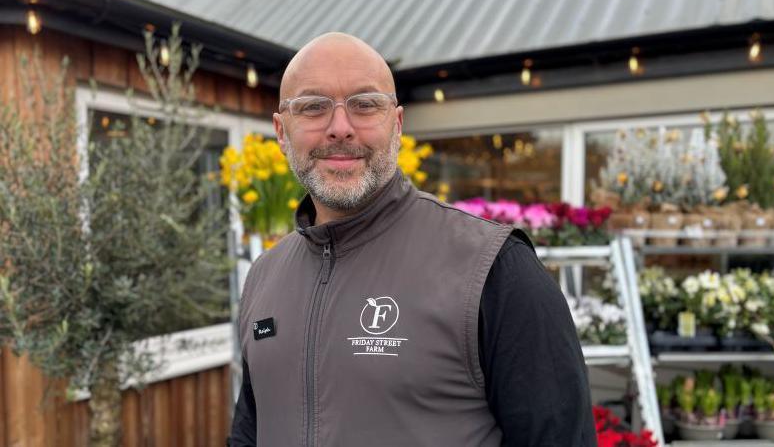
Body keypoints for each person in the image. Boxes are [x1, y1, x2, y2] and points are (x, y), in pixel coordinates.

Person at [228, 32, 597, 447]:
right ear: (281, 131)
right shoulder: (264, 277)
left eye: (365, 104)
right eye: (313, 107)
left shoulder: (494, 269)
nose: (340, 128)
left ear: (397, 124)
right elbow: (249, 433)